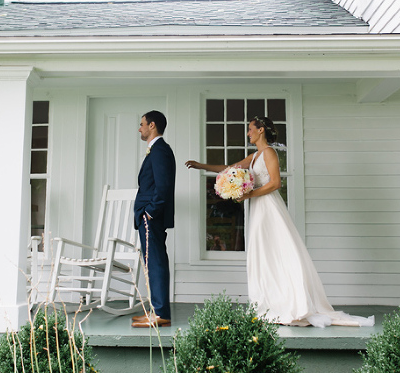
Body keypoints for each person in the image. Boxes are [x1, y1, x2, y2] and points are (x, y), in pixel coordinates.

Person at [186, 116, 373, 328]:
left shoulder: (269, 153)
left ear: (261, 130)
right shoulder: (255, 156)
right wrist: (201, 165)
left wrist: (248, 194)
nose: (248, 133)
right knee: (262, 253)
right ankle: (269, 302)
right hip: (257, 208)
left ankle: (291, 302)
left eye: (250, 129)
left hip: (269, 207)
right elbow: (229, 168)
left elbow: (275, 183)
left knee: (277, 251)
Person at [132, 110, 176, 328]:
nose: (139, 128)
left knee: (156, 263)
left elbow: (163, 187)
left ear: (152, 125)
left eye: (142, 124)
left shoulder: (160, 151)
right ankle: (155, 310)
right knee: (152, 263)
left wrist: (149, 212)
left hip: (151, 217)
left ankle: (160, 314)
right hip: (149, 217)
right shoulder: (156, 150)